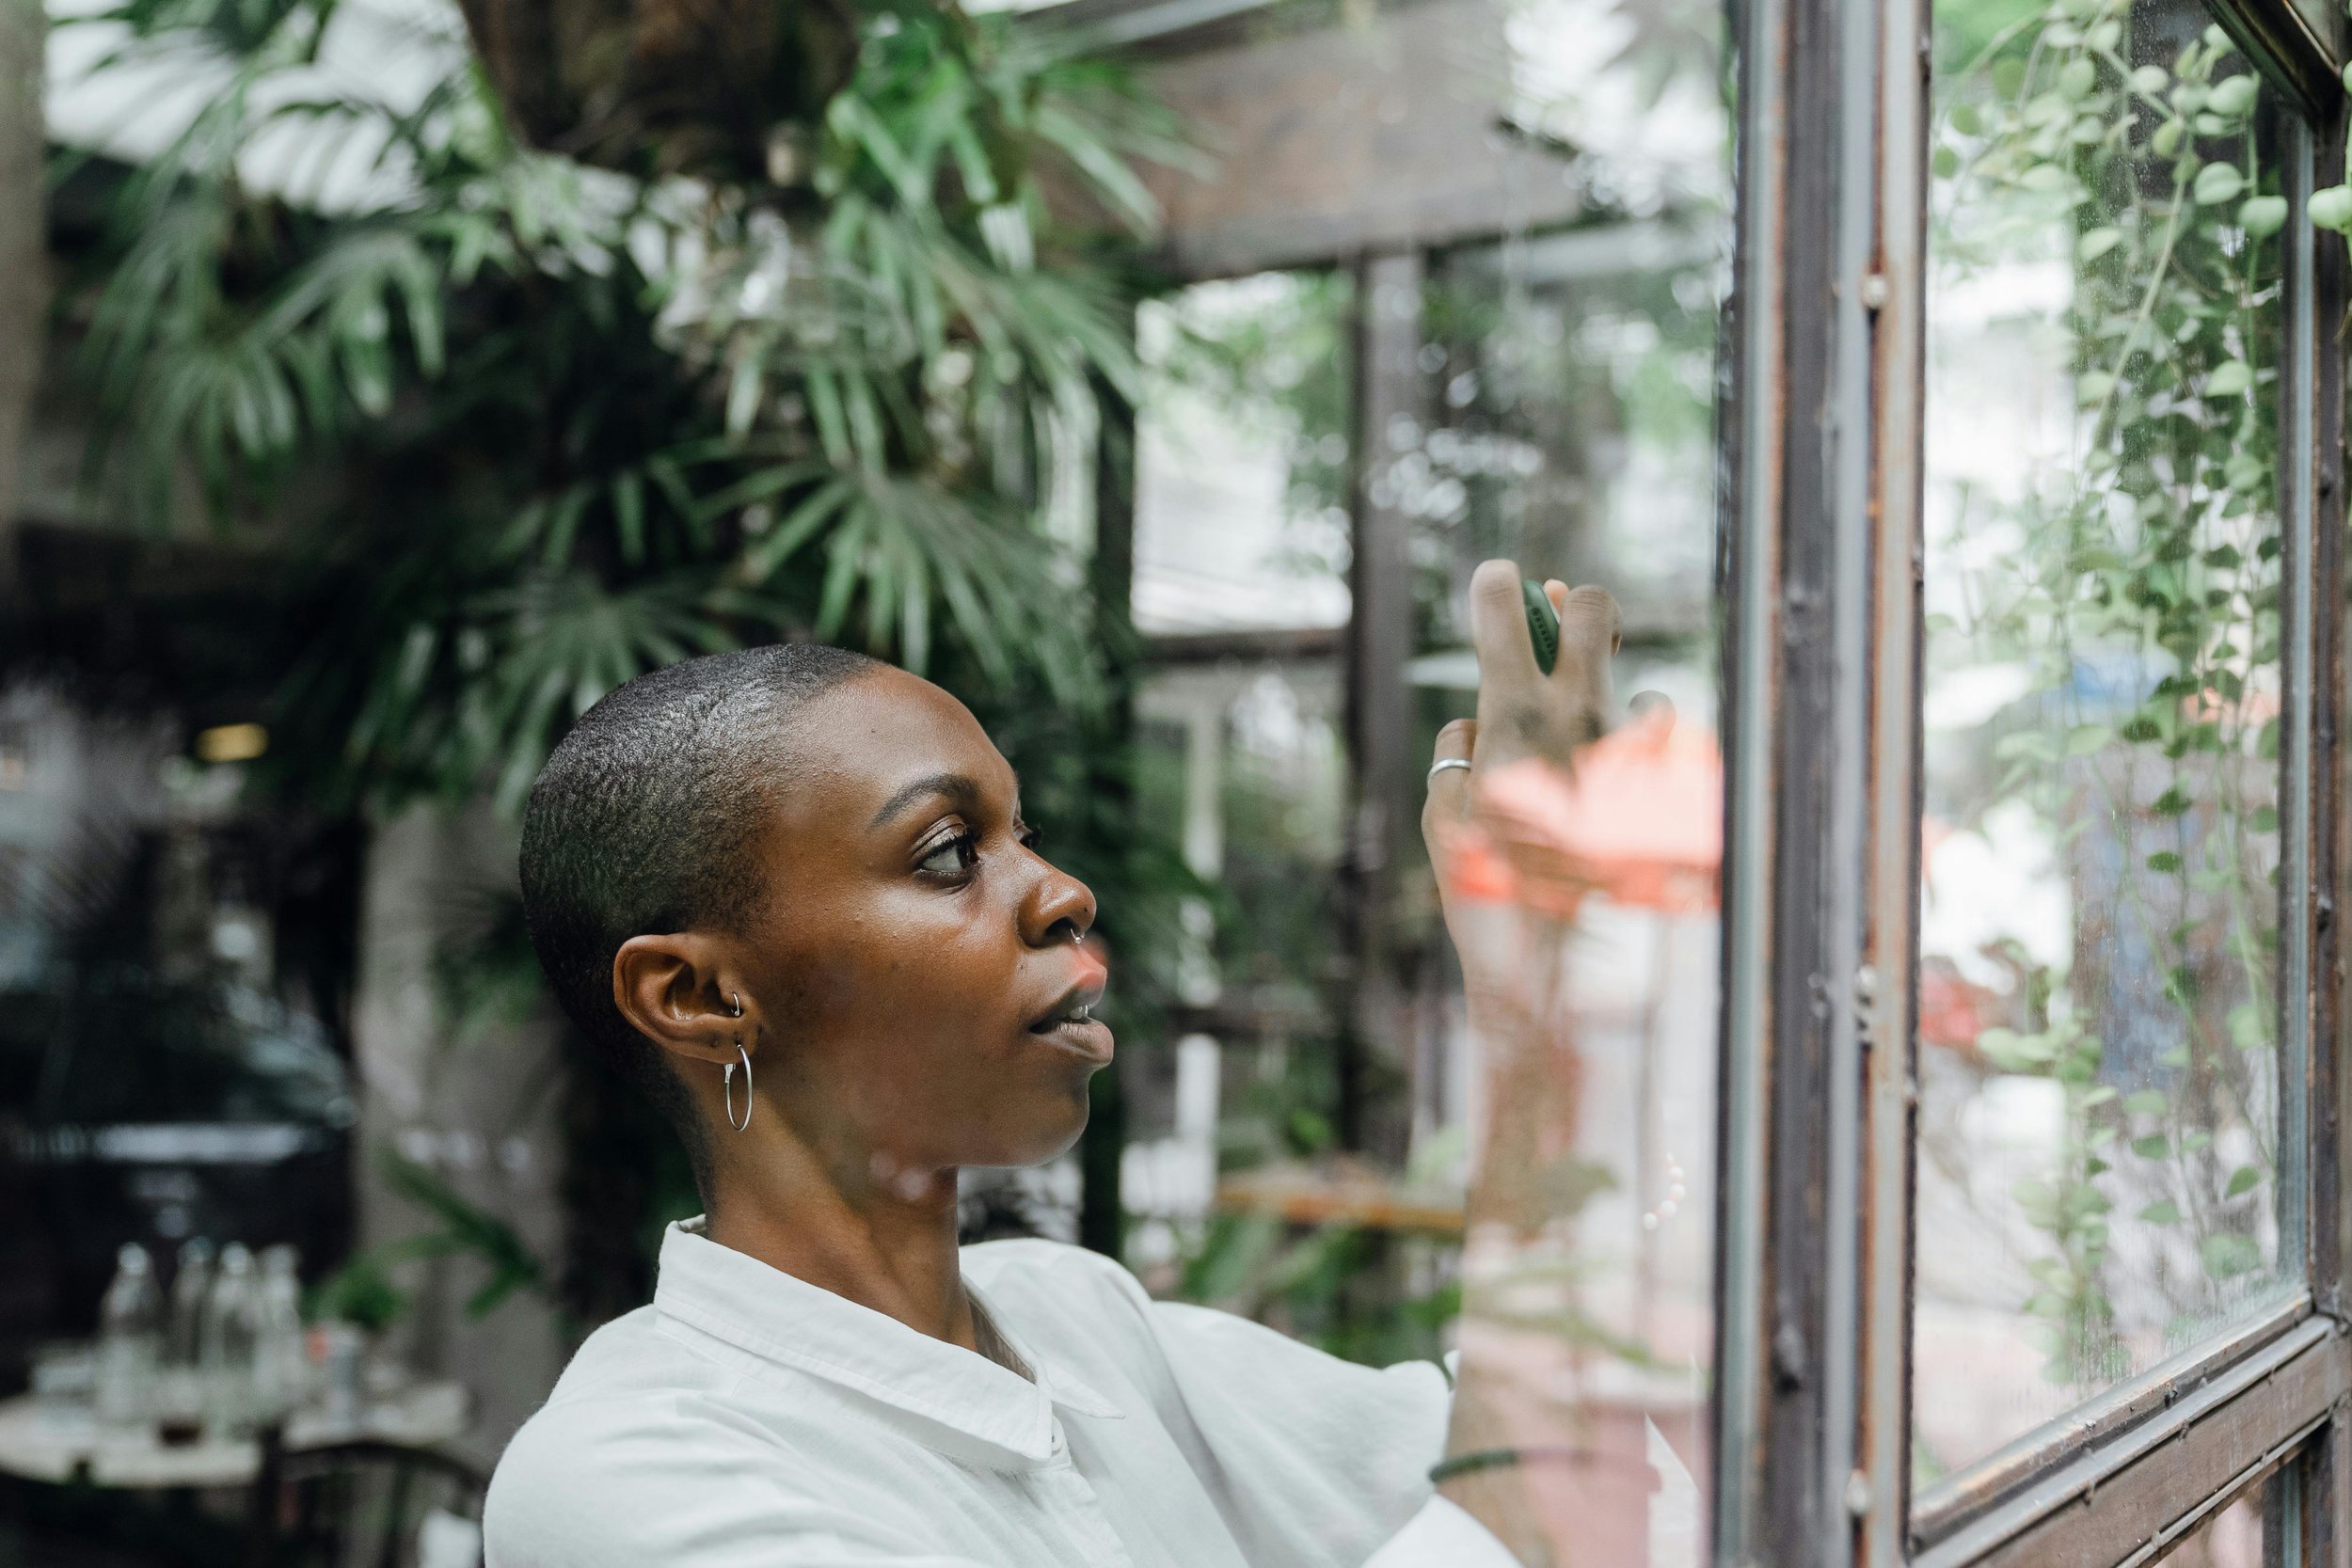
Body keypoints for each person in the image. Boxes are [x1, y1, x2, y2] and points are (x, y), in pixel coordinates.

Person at [482, 560, 1623, 1567]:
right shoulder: (623, 1480)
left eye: (1020, 834)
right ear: (699, 994)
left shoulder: (1079, 1314)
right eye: (945, 853)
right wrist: (1525, 1004)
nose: (1064, 890)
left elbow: (1570, 1474)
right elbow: (1512, 1498)